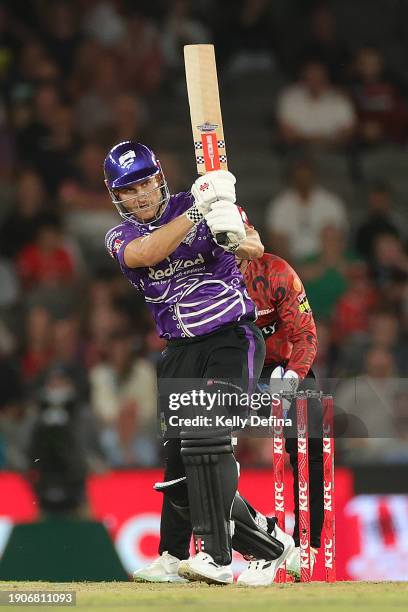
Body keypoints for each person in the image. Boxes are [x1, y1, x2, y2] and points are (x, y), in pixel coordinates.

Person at [104, 141, 292, 585]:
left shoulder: (205, 199)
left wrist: (227, 226)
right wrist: (199, 213)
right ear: (117, 196)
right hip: (178, 351)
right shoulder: (120, 236)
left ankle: (217, 557)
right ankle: (181, 554)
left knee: (205, 439)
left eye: (146, 183)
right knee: (178, 464)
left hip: (231, 338)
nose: (141, 196)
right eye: (128, 190)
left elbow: (254, 248)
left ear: (160, 179)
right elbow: (148, 255)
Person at [134, 243, 322, 585]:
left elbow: (306, 335)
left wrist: (292, 378)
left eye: (235, 251)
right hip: (228, 365)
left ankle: (309, 548)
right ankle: (179, 554)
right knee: (187, 448)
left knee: (312, 436)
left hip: (277, 369)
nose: (229, 260)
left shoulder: (275, 273)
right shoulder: (204, 271)